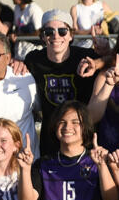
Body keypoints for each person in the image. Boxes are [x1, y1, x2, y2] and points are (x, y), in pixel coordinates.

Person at [24, 11, 101, 157]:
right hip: (51, 137)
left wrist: (99, 62)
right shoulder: (33, 60)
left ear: (71, 35)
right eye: (49, 32)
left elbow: (114, 60)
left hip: (82, 136)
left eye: (62, 31)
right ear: (42, 36)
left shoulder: (86, 57)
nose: (56, 36)